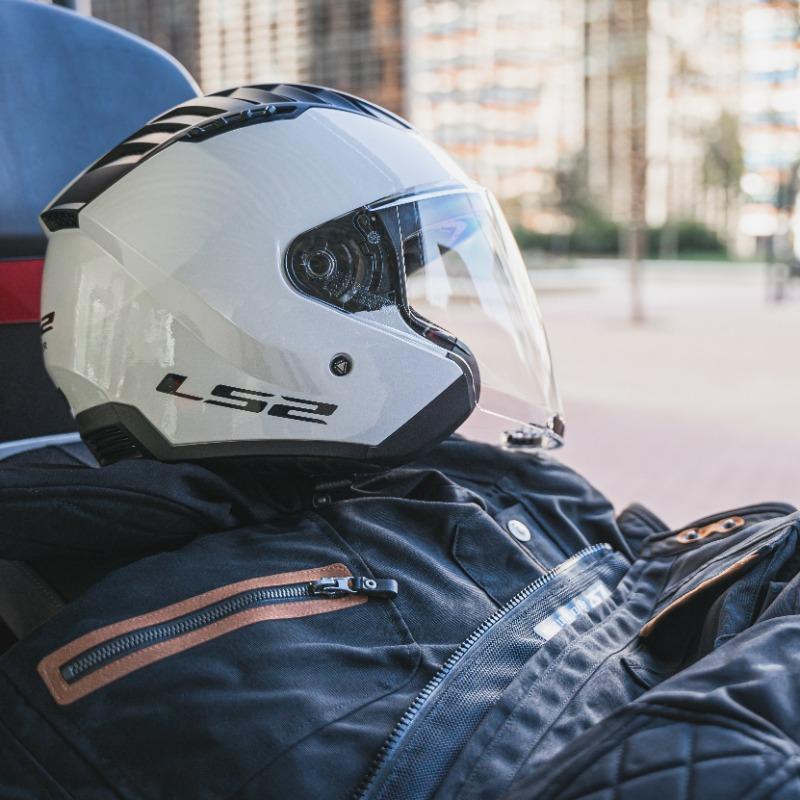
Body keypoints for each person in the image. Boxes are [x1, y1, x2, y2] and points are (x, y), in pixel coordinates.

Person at [1, 85, 799, 800]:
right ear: (254, 305)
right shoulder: (166, 672)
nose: (439, 329)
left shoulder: (443, 476)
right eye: (384, 284)